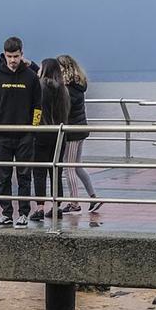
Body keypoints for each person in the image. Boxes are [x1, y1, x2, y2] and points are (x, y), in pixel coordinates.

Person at [0, 37, 42, 226]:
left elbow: (37, 106)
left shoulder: (31, 77)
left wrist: (33, 130)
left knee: (24, 176)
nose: (13, 60)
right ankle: (6, 213)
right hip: (1, 136)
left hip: (25, 136)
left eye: (16, 56)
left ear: (22, 54)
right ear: (4, 54)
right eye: (9, 56)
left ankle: (24, 213)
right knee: (4, 177)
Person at [30, 58, 72, 221]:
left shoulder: (40, 87)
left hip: (42, 132)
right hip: (60, 134)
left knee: (39, 172)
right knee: (56, 171)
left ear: (45, 69)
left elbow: (36, 109)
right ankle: (57, 206)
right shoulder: (64, 90)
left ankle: (40, 207)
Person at [56, 53, 99, 211]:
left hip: (72, 132)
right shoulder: (78, 84)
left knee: (69, 167)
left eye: (58, 69)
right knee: (77, 166)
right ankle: (93, 196)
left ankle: (74, 203)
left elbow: (64, 110)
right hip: (81, 128)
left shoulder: (68, 89)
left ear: (64, 69)